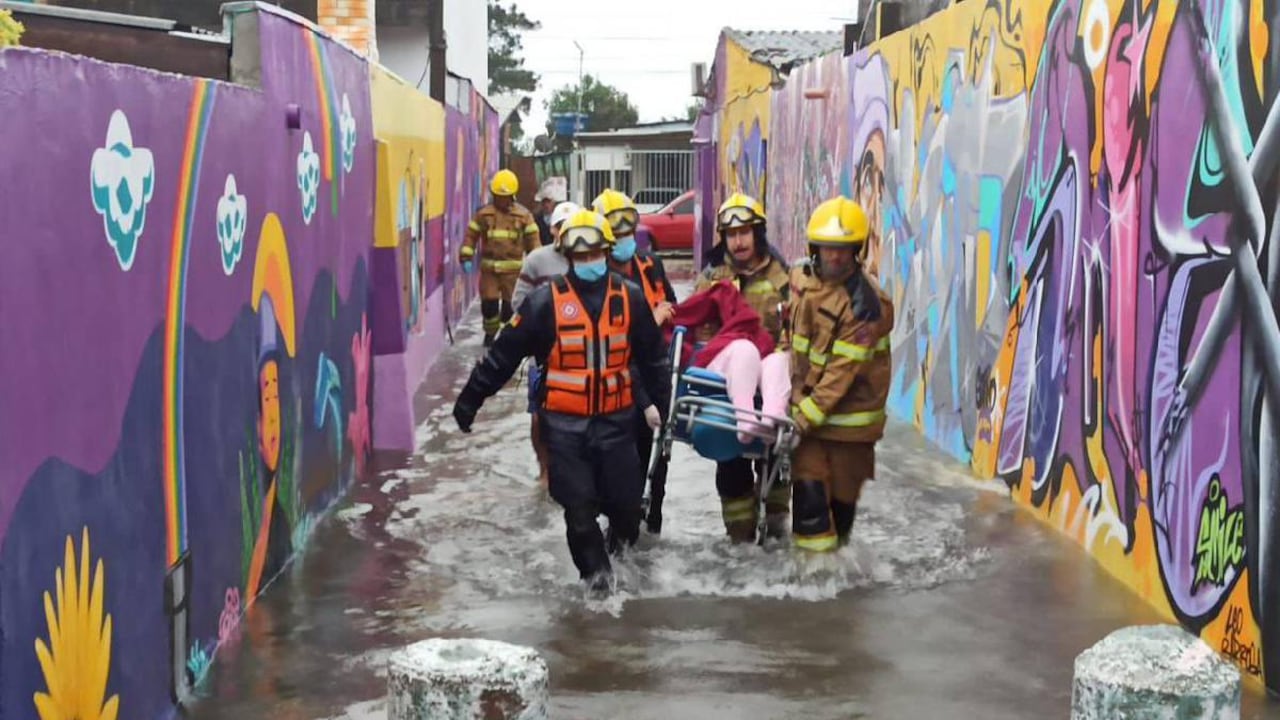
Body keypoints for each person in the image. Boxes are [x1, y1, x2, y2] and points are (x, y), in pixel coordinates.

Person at [452, 209, 671, 595]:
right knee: (579, 511)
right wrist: (471, 400)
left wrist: (664, 411)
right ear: (567, 257)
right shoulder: (543, 303)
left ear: (606, 252)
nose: (589, 263)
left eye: (594, 255)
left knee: (627, 511)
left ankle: (618, 559)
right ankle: (599, 589)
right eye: (580, 257)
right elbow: (504, 355)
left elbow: (653, 360)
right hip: (566, 428)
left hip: (617, 423)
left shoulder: (630, 299)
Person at [786, 196, 894, 552]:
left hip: (850, 428)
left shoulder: (866, 305)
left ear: (857, 249)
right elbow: (789, 329)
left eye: (844, 249)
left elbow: (839, 376)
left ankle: (835, 586)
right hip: (810, 419)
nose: (835, 257)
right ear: (814, 247)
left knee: (841, 514)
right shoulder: (801, 276)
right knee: (809, 506)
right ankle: (813, 588)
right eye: (828, 248)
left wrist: (800, 421)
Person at [688, 192, 794, 543]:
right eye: (731, 234)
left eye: (745, 232)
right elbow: (700, 338)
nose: (738, 240)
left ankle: (777, 531)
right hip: (728, 388)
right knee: (731, 466)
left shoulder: (783, 278)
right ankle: (740, 544)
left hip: (772, 381)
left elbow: (795, 334)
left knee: (779, 468)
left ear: (758, 232)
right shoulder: (712, 278)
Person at [592, 188, 678, 534]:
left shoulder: (650, 264)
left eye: (630, 231)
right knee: (621, 469)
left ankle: (652, 525)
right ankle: (619, 535)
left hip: (656, 376)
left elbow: (671, 305)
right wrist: (651, 322)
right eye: (618, 233)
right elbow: (612, 338)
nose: (626, 239)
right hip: (619, 385)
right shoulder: (596, 279)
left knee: (658, 460)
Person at [511, 200, 579, 489]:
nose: (565, 233)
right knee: (539, 415)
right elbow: (518, 302)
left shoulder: (591, 259)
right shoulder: (537, 260)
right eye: (561, 227)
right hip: (544, 354)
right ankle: (544, 469)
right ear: (552, 228)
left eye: (571, 227)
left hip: (581, 353)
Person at [459, 169, 540, 346]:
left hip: (513, 272)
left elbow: (533, 242)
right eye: (498, 196)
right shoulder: (484, 214)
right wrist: (466, 256)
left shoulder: (523, 216)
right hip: (490, 271)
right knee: (489, 306)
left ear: (512, 196)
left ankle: (506, 337)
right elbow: (471, 235)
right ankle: (490, 335)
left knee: (509, 308)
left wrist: (537, 266)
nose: (501, 200)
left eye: (505, 196)